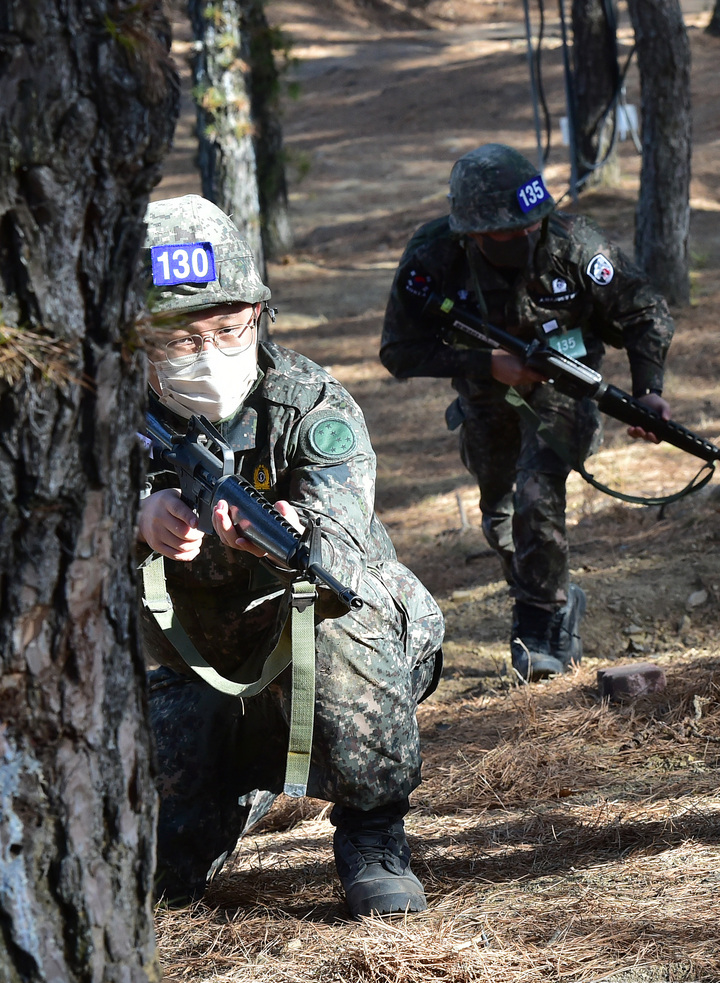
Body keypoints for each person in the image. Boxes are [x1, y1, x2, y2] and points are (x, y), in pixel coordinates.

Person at [136, 194, 444, 919]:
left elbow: (341, 544)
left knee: (341, 623)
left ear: (259, 317)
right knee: (157, 875)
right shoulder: (100, 419)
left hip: (324, 650)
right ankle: (240, 785)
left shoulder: (309, 405)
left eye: (227, 326)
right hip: (200, 668)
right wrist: (134, 517)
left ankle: (372, 833)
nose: (207, 353)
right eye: (178, 339)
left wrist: (283, 531)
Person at [380, 143, 674, 681]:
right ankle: (555, 600)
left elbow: (646, 312)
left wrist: (648, 391)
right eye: (507, 233)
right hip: (486, 400)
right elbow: (398, 351)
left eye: (532, 224)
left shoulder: (575, 243)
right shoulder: (434, 256)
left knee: (537, 494)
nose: (526, 236)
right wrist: (484, 364)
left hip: (567, 389)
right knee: (501, 516)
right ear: (471, 231)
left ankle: (540, 637)